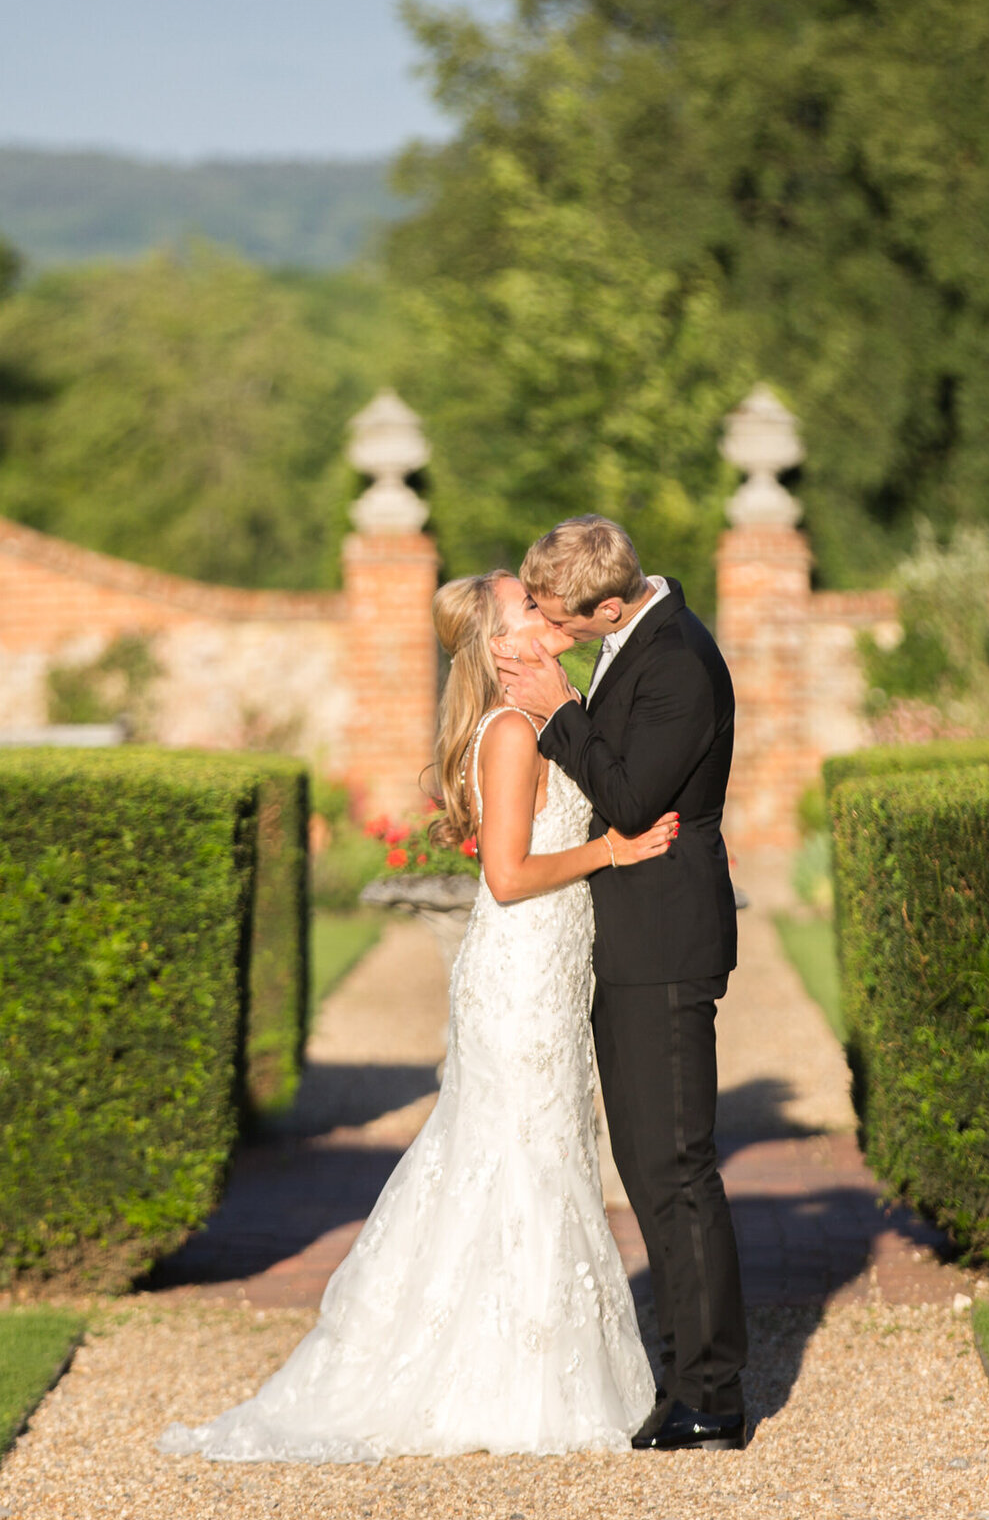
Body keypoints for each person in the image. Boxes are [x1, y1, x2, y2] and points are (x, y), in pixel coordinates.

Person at [159, 570, 675, 1463]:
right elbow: (508, 878)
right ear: (499, 644)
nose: (550, 614)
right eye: (529, 607)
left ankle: (541, 1365)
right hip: (517, 974)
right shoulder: (512, 733)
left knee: (540, 1152)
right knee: (522, 1154)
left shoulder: (548, 715)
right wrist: (612, 848)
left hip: (549, 968)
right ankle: (512, 1387)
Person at [500, 516, 748, 1452]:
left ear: (608, 604)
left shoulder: (679, 658)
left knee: (677, 1168)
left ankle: (714, 1396)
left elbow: (635, 800)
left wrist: (560, 708)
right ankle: (681, 1365)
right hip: (625, 939)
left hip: (668, 939)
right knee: (646, 1166)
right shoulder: (627, 636)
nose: (548, 627)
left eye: (561, 616)